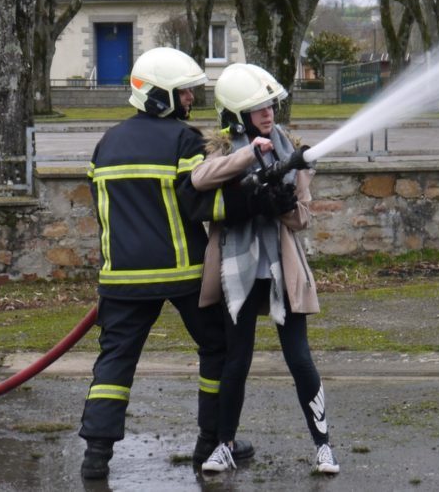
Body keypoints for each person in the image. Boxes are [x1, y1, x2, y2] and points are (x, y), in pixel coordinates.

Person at [78, 47, 256, 480]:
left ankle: (96, 458)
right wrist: (253, 199)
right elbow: (203, 204)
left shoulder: (106, 143)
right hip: (183, 274)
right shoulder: (183, 141)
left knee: (114, 365)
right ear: (161, 96)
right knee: (217, 348)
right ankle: (210, 443)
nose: (192, 100)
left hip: (120, 279)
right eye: (186, 93)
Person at [189, 63, 340, 475]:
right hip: (238, 275)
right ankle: (224, 445)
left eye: (270, 104)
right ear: (238, 114)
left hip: (281, 273)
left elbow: (303, 219)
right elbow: (200, 179)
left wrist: (285, 205)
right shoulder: (220, 148)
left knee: (300, 359)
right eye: (257, 107)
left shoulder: (292, 149)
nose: (268, 112)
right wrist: (249, 155)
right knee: (237, 360)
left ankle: (324, 447)